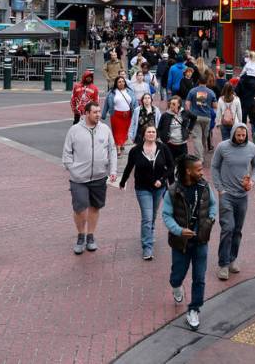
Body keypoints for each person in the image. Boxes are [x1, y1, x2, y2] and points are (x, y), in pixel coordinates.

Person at [163, 154, 217, 331]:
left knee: (199, 278)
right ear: (188, 171)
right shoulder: (173, 191)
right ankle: (176, 286)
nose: (202, 172)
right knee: (178, 274)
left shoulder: (204, 186)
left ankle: (194, 309)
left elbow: (213, 205)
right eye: (199, 169)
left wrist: (210, 219)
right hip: (181, 243)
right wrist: (179, 231)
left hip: (201, 240)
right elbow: (166, 215)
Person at [61, 101, 117, 255]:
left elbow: (112, 150)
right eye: (95, 112)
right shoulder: (74, 130)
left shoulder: (105, 129)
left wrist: (112, 170)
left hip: (99, 177)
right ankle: (80, 236)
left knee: (95, 207)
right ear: (86, 113)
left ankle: (90, 236)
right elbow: (67, 153)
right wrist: (72, 169)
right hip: (79, 179)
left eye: (99, 112)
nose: (99, 114)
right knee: (80, 208)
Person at [210, 122, 255, 281]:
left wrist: (252, 181)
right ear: (232, 134)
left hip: (242, 196)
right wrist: (219, 188)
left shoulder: (251, 148)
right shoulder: (222, 147)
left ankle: (232, 259)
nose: (240, 138)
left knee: (237, 230)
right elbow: (214, 167)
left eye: (243, 135)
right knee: (228, 228)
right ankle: (223, 264)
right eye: (238, 135)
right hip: (226, 195)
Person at [120, 125, 174, 260]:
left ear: (156, 134)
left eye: (153, 132)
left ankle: (150, 231)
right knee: (147, 217)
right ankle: (147, 247)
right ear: (144, 135)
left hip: (159, 188)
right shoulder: (136, 150)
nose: (151, 134)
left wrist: (162, 180)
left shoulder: (163, 148)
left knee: (153, 214)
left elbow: (171, 166)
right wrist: (123, 181)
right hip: (143, 188)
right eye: (148, 132)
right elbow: (129, 167)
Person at [186, 75, 217, 163]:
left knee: (197, 138)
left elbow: (187, 105)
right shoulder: (211, 92)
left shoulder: (192, 91)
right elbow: (215, 105)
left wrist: (189, 113)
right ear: (206, 82)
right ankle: (200, 156)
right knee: (204, 137)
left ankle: (199, 157)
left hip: (195, 117)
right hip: (207, 117)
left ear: (198, 81)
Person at [102, 76, 136, 156]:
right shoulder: (112, 92)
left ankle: (122, 143)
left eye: (123, 81)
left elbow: (134, 103)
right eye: (119, 82)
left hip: (128, 115)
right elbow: (106, 104)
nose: (121, 83)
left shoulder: (130, 91)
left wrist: (136, 113)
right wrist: (103, 114)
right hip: (116, 115)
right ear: (116, 83)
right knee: (117, 132)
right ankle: (118, 148)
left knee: (125, 131)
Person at [158, 96, 192, 162]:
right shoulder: (165, 115)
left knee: (183, 164)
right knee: (171, 164)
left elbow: (194, 118)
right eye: (170, 103)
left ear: (178, 104)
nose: (171, 105)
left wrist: (189, 129)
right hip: (170, 144)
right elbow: (159, 128)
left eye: (174, 104)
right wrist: (164, 139)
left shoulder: (184, 112)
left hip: (182, 144)